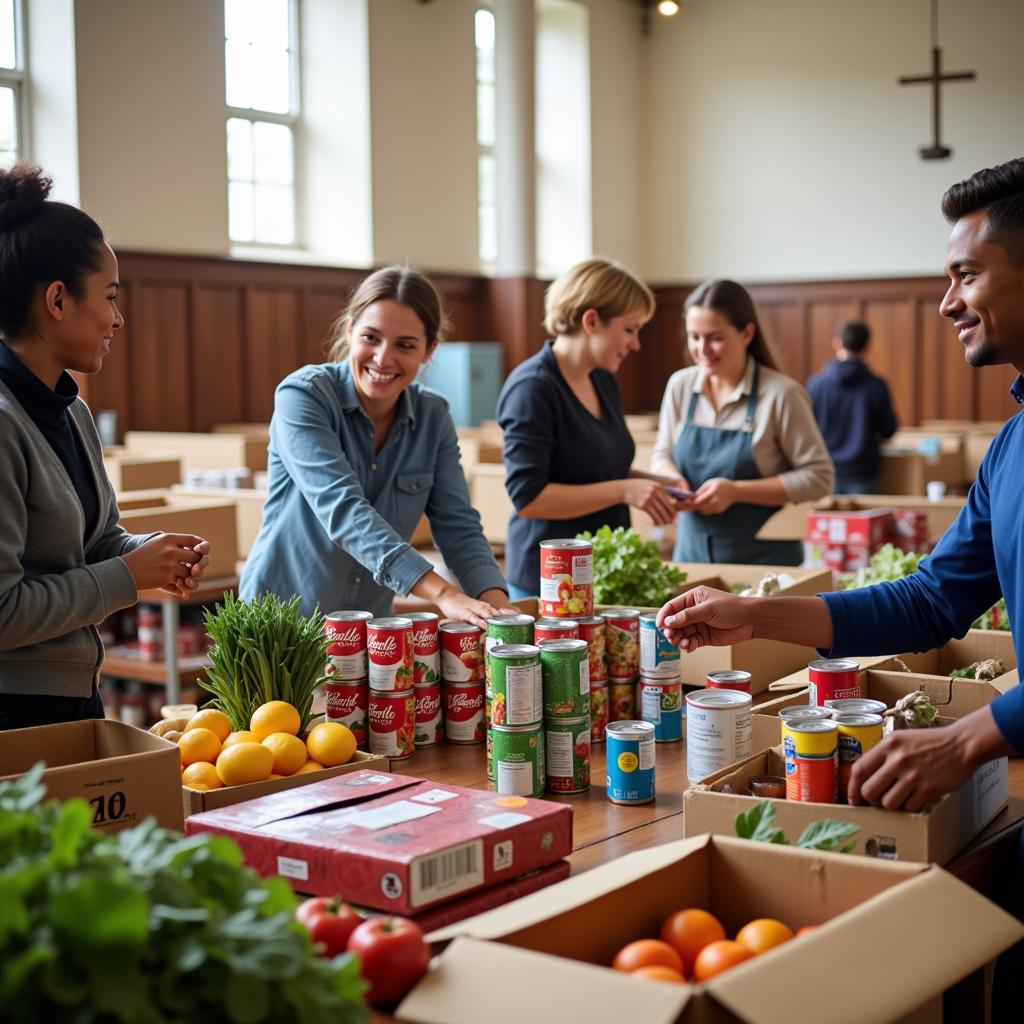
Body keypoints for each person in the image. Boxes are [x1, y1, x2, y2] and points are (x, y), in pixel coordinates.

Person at [656, 158, 1024, 809]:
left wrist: (969, 739)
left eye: (967, 275)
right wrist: (751, 616)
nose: (946, 303)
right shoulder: (1008, 449)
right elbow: (929, 603)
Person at [0, 164, 211, 731]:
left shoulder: (71, 409)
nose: (117, 318)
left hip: (72, 696)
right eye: (110, 297)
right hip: (15, 713)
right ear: (57, 300)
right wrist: (127, 573)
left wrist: (153, 554)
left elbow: (96, 541)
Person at [240, 265, 514, 625]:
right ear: (350, 331)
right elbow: (344, 511)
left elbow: (458, 526)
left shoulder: (434, 416)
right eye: (371, 337)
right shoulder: (303, 396)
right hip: (277, 631)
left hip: (372, 633)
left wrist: (498, 611)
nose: (383, 358)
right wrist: (444, 594)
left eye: (405, 345)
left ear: (429, 349)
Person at [497, 258, 681, 599]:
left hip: (598, 572)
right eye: (630, 329)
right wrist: (626, 490)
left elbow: (596, 466)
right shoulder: (532, 387)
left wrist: (655, 484)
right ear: (592, 320)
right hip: (549, 582)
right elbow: (528, 497)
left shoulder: (603, 379)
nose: (636, 344)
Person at [651, 280, 834, 565]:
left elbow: (819, 478)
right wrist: (672, 478)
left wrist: (735, 492)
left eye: (715, 337)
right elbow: (661, 453)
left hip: (763, 565)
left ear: (747, 333)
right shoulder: (680, 386)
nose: (703, 349)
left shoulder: (781, 394)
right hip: (690, 557)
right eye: (694, 336)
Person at [805, 320, 898, 493]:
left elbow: (805, 431)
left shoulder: (815, 386)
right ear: (867, 347)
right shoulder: (876, 385)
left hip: (825, 473)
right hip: (864, 474)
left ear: (836, 343)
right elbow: (888, 430)